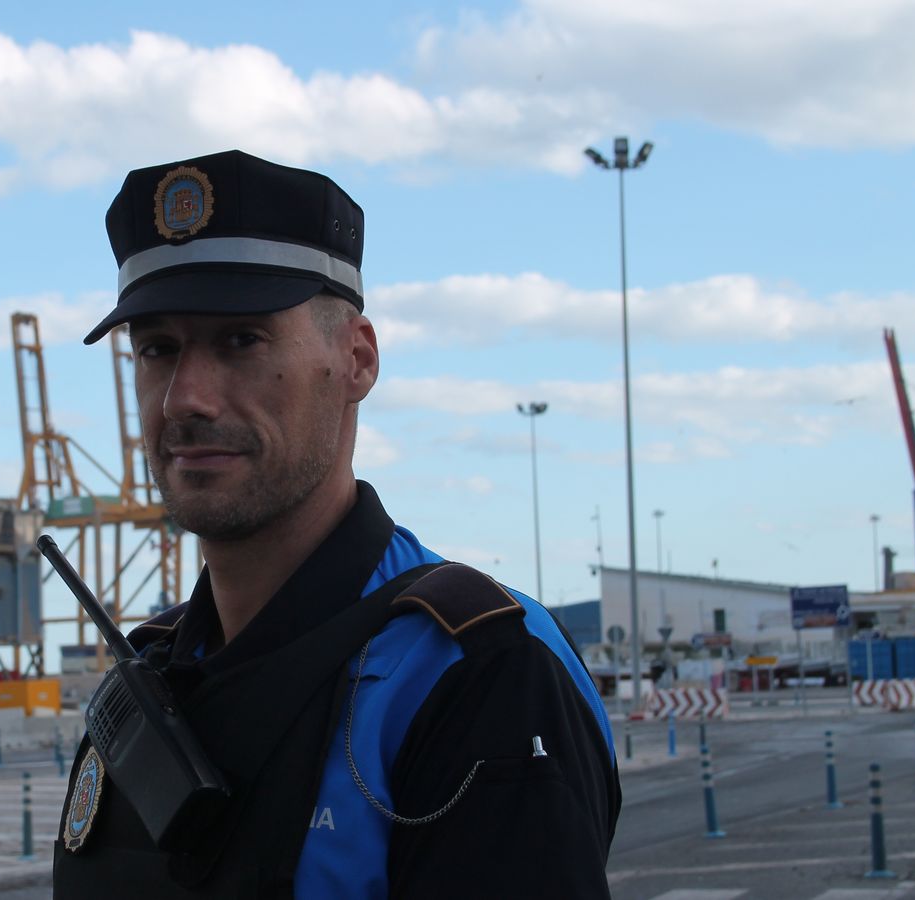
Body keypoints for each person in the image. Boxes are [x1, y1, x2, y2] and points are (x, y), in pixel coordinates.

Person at [53, 149, 619, 898]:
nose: (184, 398)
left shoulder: (473, 674)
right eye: (158, 349)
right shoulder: (151, 675)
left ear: (357, 359)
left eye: (241, 340)